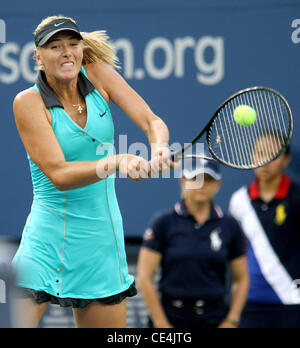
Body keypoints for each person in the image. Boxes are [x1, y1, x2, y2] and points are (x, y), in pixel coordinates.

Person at [12, 15, 174, 328]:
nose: (66, 52)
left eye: (73, 44)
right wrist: (116, 161)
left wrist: (159, 148)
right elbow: (58, 174)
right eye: (55, 46)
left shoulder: (100, 76)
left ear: (82, 49)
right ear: (38, 57)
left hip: (100, 241)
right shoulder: (28, 103)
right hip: (45, 241)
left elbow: (152, 122)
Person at [137, 158, 249, 328]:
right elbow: (144, 277)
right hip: (172, 316)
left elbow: (241, 279)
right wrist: (161, 324)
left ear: (218, 184)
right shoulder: (163, 222)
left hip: (215, 317)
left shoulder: (229, 225)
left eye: (208, 179)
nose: (201, 184)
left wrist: (231, 320)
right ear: (183, 181)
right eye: (195, 178)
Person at [229, 143, 300, 328]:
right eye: (260, 153)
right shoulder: (239, 201)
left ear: (286, 160)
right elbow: (238, 254)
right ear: (251, 157)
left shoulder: (297, 198)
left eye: (272, 154)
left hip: (293, 302)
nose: (265, 161)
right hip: (251, 304)